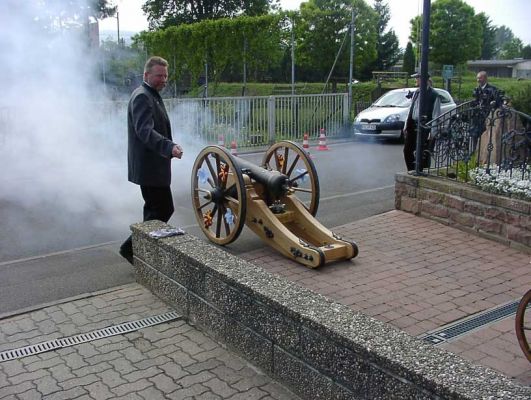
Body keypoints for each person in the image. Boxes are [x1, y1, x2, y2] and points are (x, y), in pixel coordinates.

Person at [119, 56, 183, 264]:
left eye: (165, 76)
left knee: (154, 210)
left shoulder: (151, 94)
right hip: (150, 167)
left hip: (154, 166)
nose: (164, 80)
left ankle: (142, 250)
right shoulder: (142, 97)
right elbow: (144, 131)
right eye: (159, 76)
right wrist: (169, 146)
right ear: (146, 75)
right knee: (163, 209)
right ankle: (130, 248)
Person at [403, 72, 441, 172]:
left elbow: (436, 115)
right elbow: (411, 109)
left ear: (423, 80)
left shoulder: (434, 95)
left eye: (417, 78)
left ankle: (422, 172)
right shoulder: (417, 92)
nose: (415, 80)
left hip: (425, 128)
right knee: (407, 150)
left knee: (423, 153)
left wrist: (432, 132)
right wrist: (406, 125)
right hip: (413, 125)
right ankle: (411, 170)